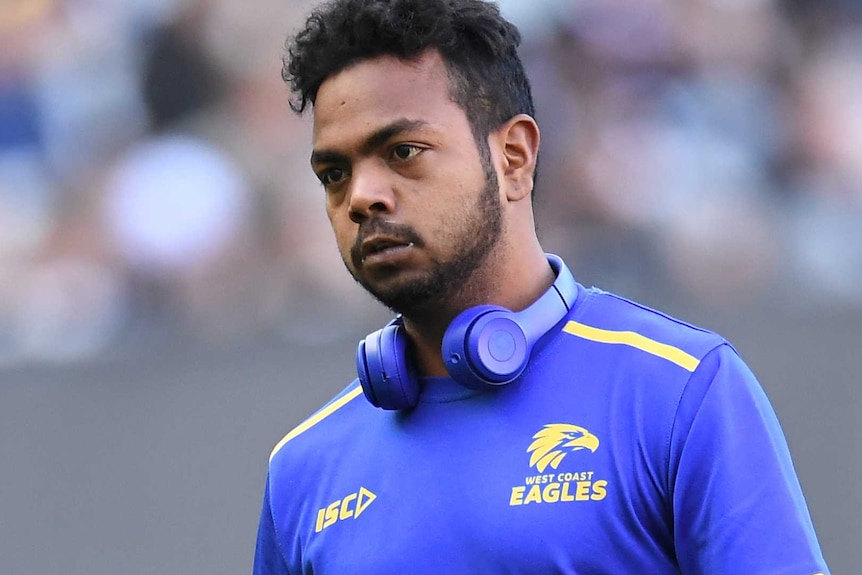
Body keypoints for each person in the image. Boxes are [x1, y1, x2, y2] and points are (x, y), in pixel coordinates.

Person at [253, 0, 831, 573]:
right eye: (335, 174)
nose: (360, 197)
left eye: (403, 152)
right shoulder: (301, 470)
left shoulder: (681, 391)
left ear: (514, 157)